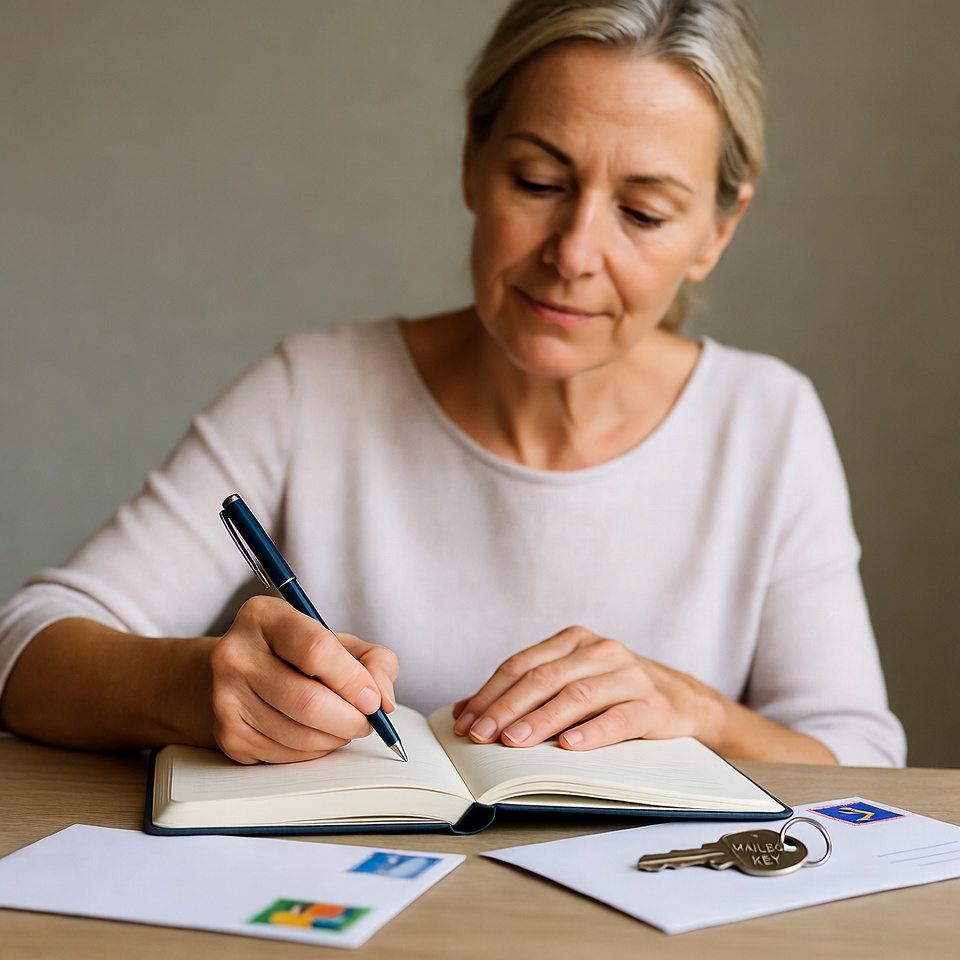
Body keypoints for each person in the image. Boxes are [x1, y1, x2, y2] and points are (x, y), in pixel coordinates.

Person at [0, 0, 906, 767]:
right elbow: (27, 642)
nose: (574, 255)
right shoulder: (314, 391)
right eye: (539, 181)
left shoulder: (767, 423)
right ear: (474, 162)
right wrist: (194, 687)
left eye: (642, 212)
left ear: (716, 232)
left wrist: (701, 714)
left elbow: (864, 761)